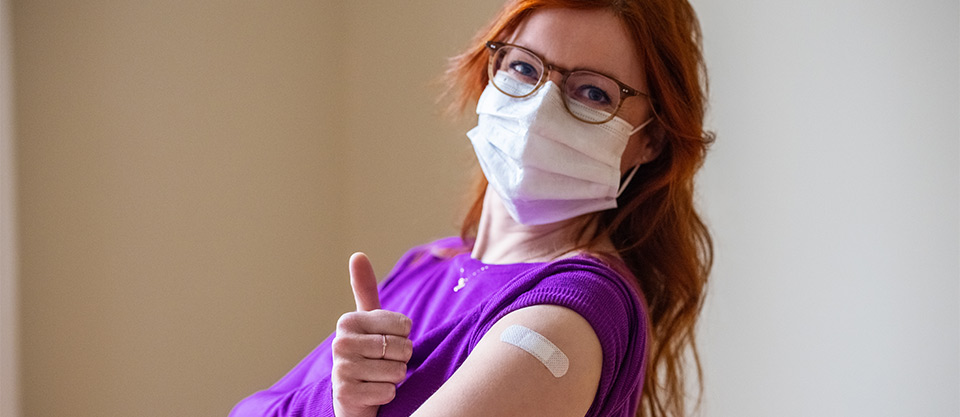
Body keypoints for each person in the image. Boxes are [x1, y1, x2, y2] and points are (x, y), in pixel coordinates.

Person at [230, 0, 712, 416]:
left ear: (651, 139)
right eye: (524, 67)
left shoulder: (565, 318)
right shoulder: (430, 263)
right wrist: (338, 404)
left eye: (593, 93)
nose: (539, 110)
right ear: (491, 72)